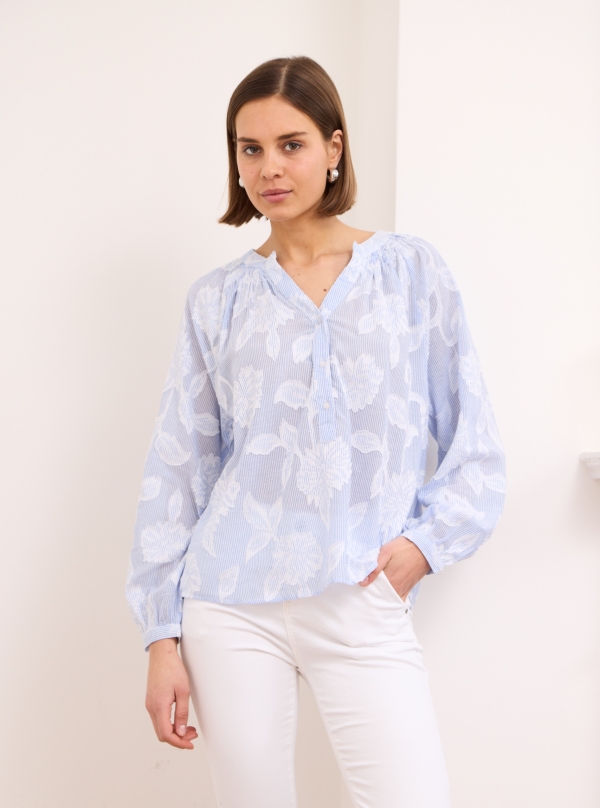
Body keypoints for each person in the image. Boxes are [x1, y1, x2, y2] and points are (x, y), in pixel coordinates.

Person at [126, 55, 506, 808]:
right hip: (230, 601)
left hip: (361, 592)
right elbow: (179, 469)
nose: (269, 167)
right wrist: (161, 636)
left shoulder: (410, 273)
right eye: (251, 148)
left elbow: (474, 441)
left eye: (291, 144)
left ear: (334, 148)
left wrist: (423, 548)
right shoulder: (218, 301)